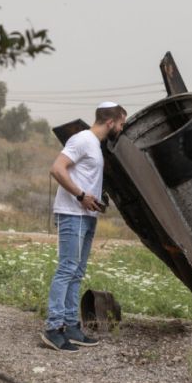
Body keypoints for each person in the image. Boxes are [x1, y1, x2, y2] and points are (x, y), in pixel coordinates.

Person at [41, 101, 126, 352]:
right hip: (72, 214)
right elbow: (57, 169)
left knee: (76, 272)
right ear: (110, 122)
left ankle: (71, 326)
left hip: (86, 215)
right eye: (121, 123)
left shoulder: (96, 146)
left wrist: (95, 198)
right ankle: (53, 329)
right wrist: (80, 195)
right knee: (67, 269)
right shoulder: (82, 140)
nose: (122, 128)